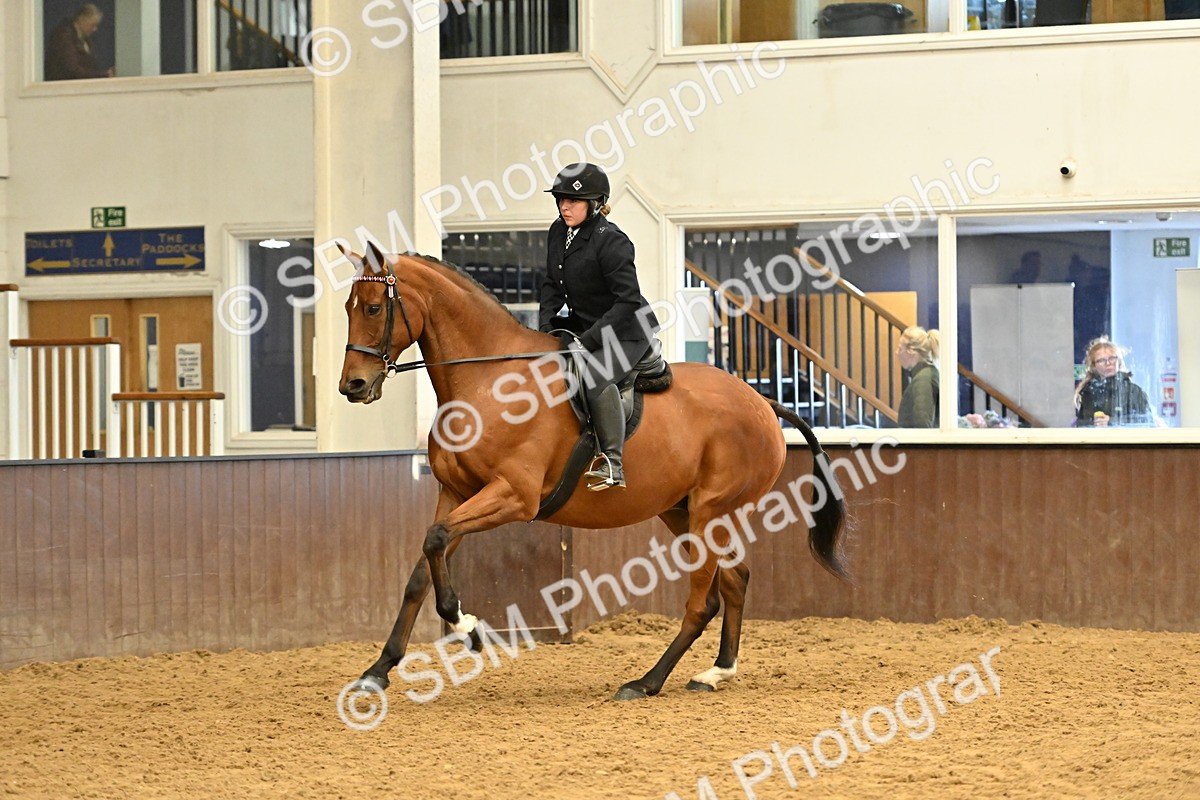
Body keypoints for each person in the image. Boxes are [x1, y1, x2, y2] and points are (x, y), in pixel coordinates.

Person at [538, 163, 659, 491]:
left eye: (573, 201)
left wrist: (588, 341)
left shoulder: (611, 241)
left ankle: (612, 464)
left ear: (594, 204)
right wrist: (546, 327)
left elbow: (628, 301)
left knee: (593, 376)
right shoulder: (557, 232)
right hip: (586, 321)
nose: (565, 206)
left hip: (626, 329)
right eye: (561, 199)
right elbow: (551, 283)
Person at [1074, 337, 1153, 427]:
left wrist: (1113, 422)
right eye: (1101, 360)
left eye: (1112, 358)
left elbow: (1147, 422)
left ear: (1118, 361)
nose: (1108, 363)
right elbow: (1081, 425)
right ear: (1093, 366)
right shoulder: (1087, 393)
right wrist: (1093, 423)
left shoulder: (1134, 391)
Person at [45, 4, 113, 81]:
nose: (95, 29)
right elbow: (72, 69)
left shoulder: (86, 39)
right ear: (81, 19)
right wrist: (104, 75)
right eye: (92, 25)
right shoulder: (63, 36)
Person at [896, 326, 940, 428]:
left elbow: (922, 424)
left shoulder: (923, 379)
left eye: (900, 348)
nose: (897, 353)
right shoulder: (925, 375)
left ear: (911, 351)